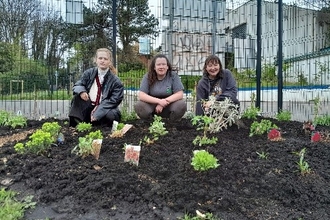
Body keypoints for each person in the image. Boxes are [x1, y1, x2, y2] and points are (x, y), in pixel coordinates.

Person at [69, 48, 124, 127]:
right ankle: (77, 126)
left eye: (105, 59)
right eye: (100, 58)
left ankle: (100, 127)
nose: (102, 61)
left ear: (110, 61)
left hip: (105, 107)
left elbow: (114, 100)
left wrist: (99, 110)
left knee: (112, 115)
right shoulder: (88, 73)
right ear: (96, 60)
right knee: (77, 99)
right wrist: (82, 91)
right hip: (89, 105)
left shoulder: (116, 81)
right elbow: (78, 84)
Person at [134, 54, 187, 121]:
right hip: (152, 106)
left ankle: (173, 123)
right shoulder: (147, 76)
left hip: (169, 105)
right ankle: (149, 123)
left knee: (181, 105)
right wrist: (159, 101)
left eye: (163, 64)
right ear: (154, 67)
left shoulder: (173, 76)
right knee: (139, 105)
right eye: (158, 64)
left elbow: (180, 94)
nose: (161, 67)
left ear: (167, 66)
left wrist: (164, 102)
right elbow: (142, 95)